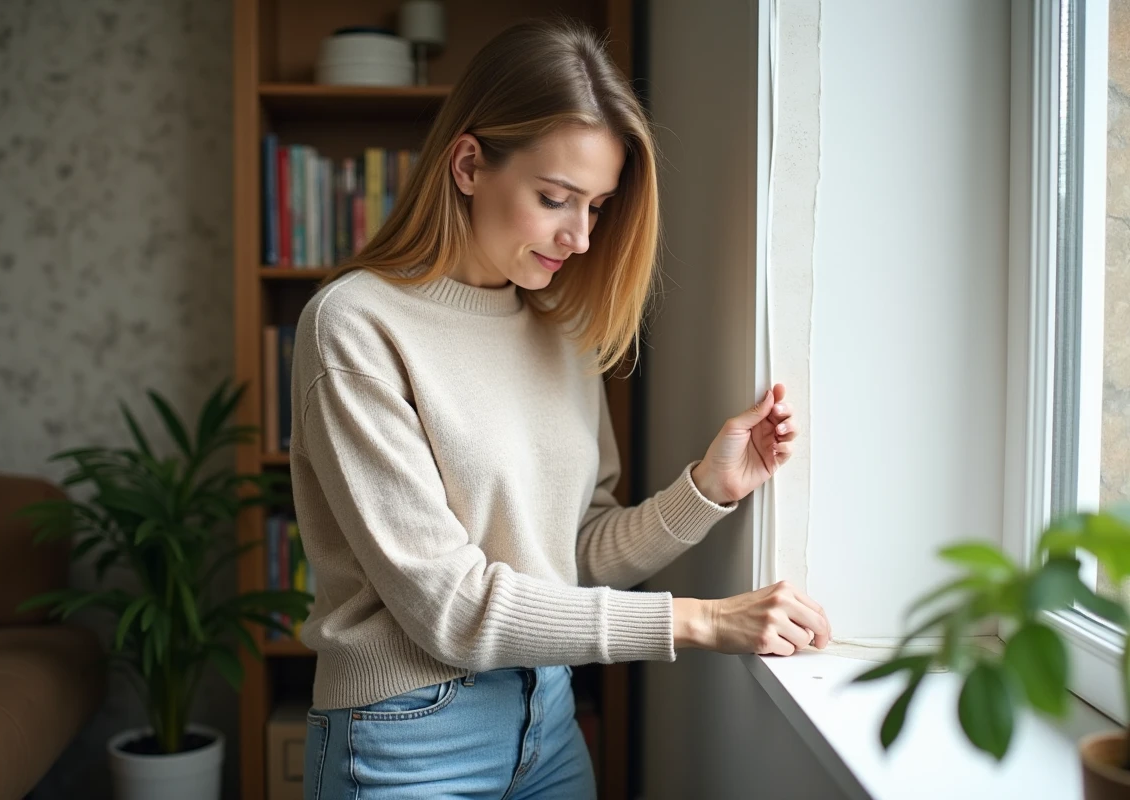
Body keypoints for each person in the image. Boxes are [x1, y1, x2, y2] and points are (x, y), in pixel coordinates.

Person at [291, 16, 831, 800]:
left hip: (547, 724)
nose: (580, 238)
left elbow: (569, 557)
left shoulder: (561, 329)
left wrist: (709, 490)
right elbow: (451, 607)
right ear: (470, 164)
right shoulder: (356, 326)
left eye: (599, 207)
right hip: (405, 738)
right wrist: (702, 621)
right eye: (555, 199)